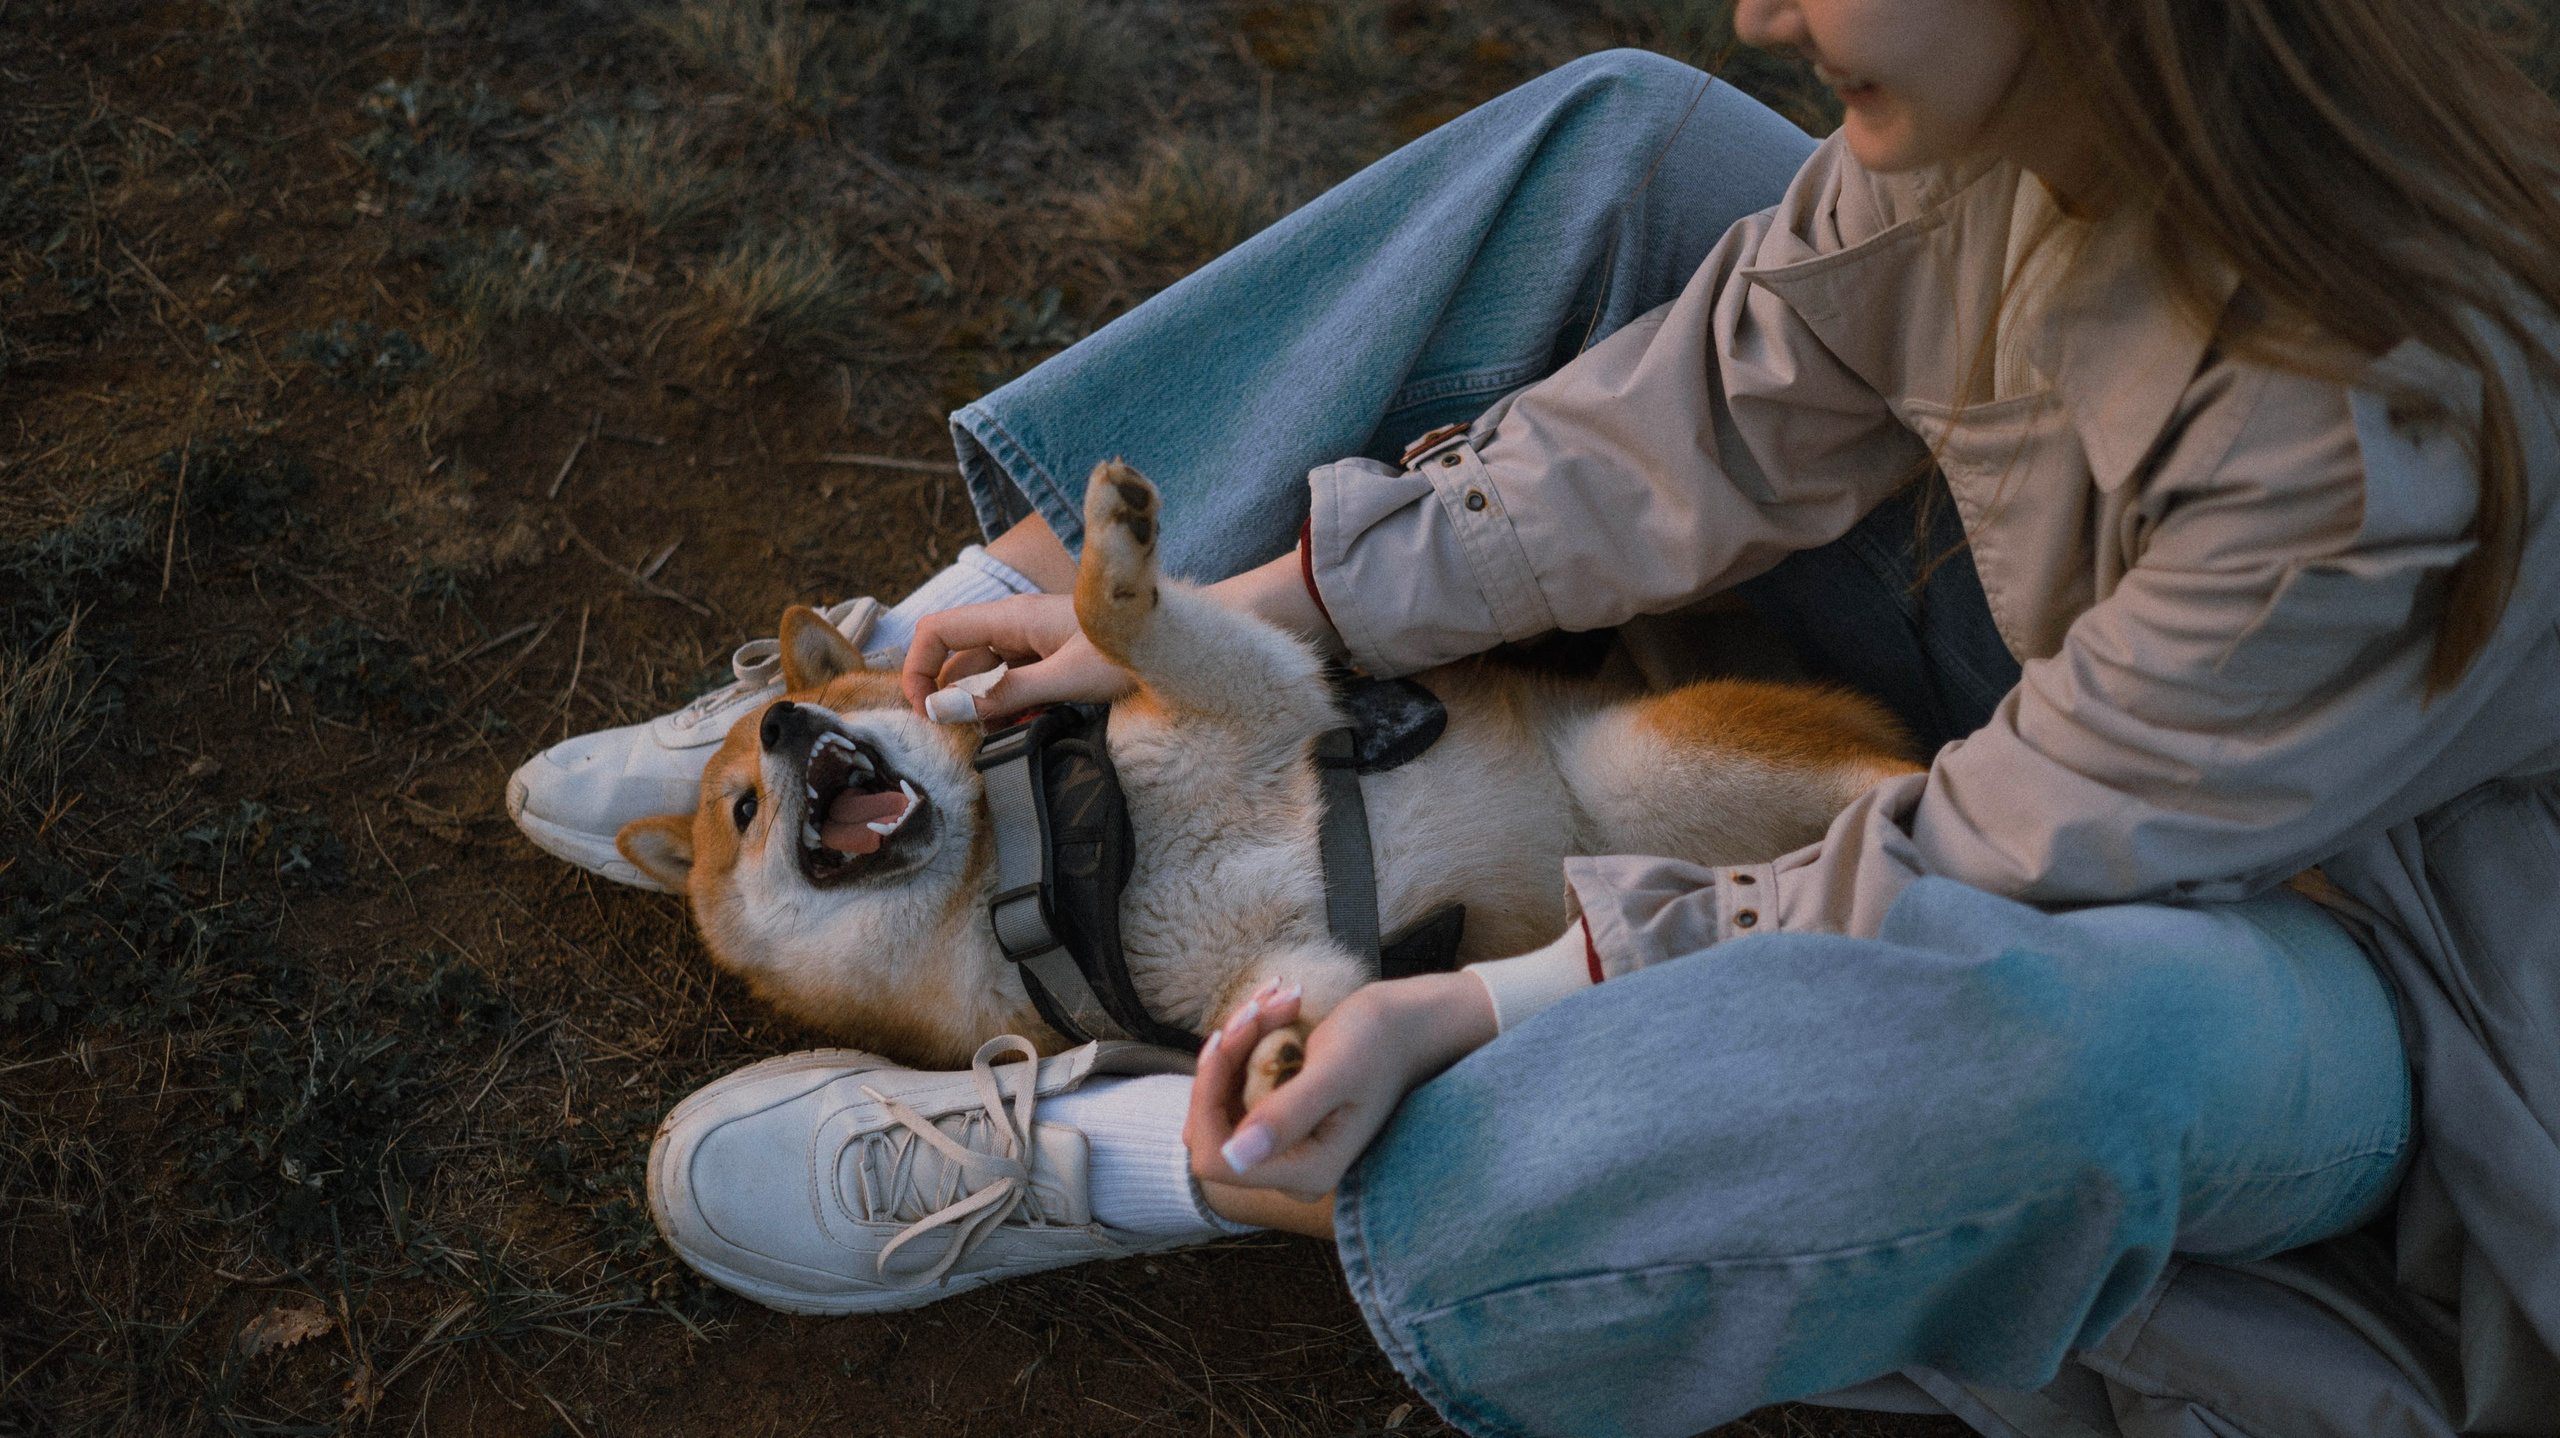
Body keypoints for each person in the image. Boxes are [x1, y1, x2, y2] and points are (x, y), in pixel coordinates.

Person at [534, 0, 2560, 1432]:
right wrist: (1247, 602)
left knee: (1993, 1038)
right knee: (1627, 142)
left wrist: (1510, 993)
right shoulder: (2049, 114)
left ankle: (1160, 1145)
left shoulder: (2359, 444)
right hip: (2063, 682)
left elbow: (1979, 865)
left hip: (2374, 965)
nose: (1768, 9)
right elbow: (1722, 396)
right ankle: (936, 658)